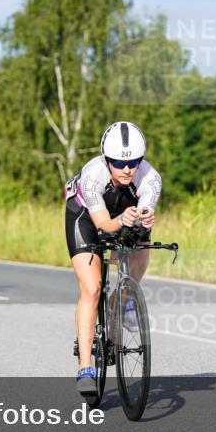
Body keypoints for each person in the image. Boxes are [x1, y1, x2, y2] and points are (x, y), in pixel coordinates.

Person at [64, 121, 161, 394]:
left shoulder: (150, 177)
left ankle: (125, 298)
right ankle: (85, 366)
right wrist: (120, 221)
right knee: (92, 289)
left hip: (123, 210)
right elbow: (104, 225)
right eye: (118, 163)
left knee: (141, 239)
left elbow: (142, 216)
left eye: (134, 162)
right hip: (85, 215)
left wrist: (143, 218)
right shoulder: (92, 175)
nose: (127, 169)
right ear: (107, 160)